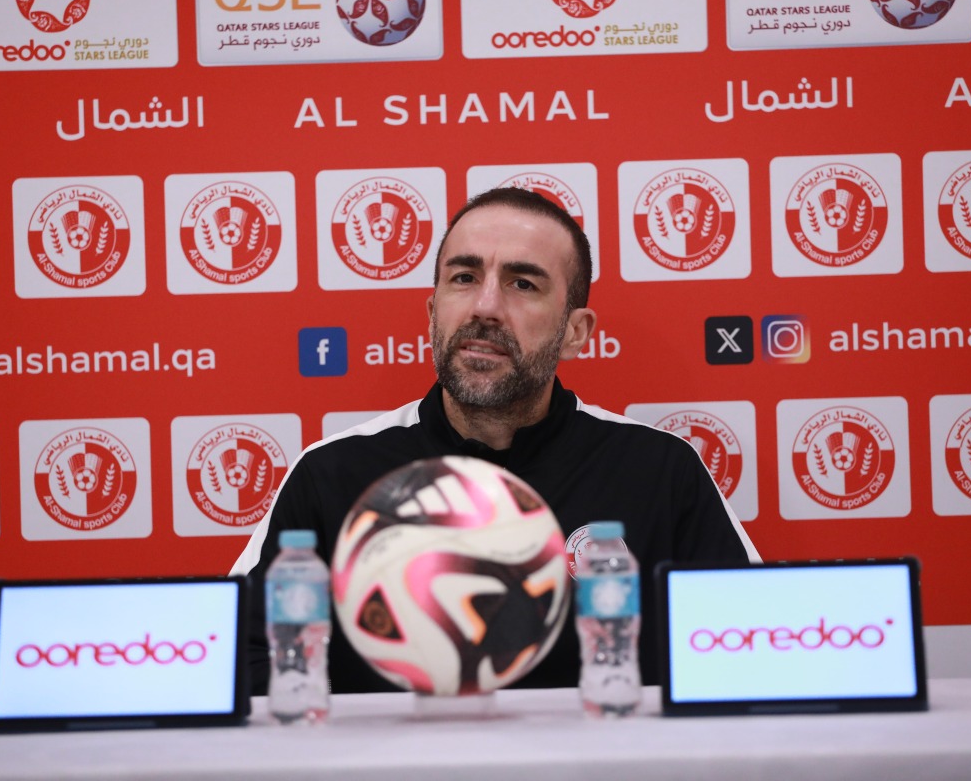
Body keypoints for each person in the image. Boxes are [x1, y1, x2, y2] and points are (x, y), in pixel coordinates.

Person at [231, 186, 759, 695]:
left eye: (522, 284)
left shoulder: (659, 470)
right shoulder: (331, 473)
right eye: (463, 277)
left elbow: (750, 646)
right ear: (432, 313)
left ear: (576, 332)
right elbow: (243, 658)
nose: (485, 307)